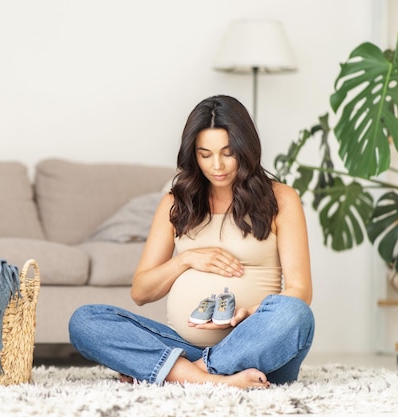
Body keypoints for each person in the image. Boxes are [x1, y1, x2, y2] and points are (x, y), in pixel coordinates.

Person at [68, 95, 314, 389]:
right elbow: (141, 292)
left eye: (228, 152)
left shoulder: (281, 199)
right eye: (205, 154)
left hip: (257, 350)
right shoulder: (175, 203)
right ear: (193, 155)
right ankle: (213, 380)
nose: (217, 165)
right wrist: (186, 259)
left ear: (246, 149)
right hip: (183, 345)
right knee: (85, 320)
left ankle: (187, 374)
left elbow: (300, 290)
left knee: (296, 314)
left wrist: (254, 313)